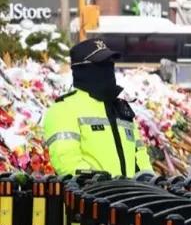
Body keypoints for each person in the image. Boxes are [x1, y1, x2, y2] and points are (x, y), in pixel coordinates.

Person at [44, 39, 152, 177]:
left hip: (129, 196)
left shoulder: (121, 108)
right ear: (82, 69)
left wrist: (148, 179)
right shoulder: (64, 109)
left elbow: (140, 155)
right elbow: (66, 160)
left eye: (110, 64)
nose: (107, 70)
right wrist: (98, 183)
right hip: (91, 196)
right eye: (101, 64)